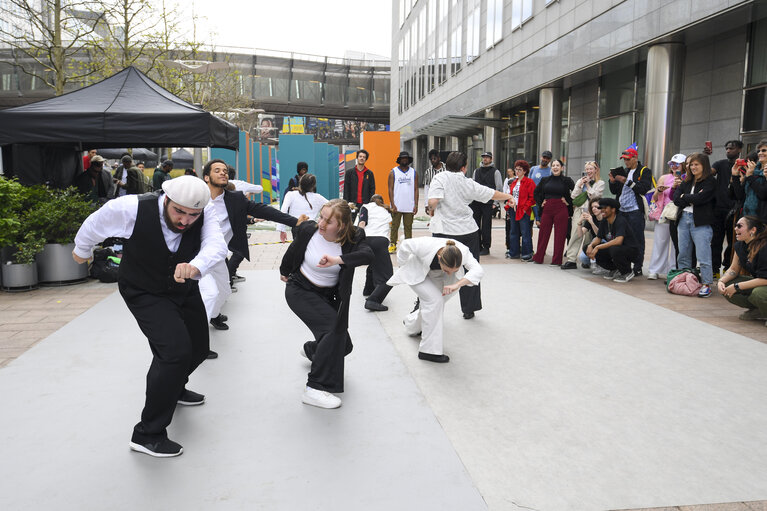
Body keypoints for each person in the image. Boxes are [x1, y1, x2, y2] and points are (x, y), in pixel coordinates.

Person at [72, 175, 228, 457]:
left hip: (183, 286)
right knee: (175, 353)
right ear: (166, 199)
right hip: (144, 289)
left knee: (199, 349)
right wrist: (81, 251)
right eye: (179, 211)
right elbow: (94, 224)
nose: (185, 221)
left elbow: (216, 245)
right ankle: (147, 434)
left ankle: (174, 386)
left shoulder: (206, 212)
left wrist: (195, 266)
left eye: (193, 215)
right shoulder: (131, 207)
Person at [280, 199, 373, 409]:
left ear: (340, 226)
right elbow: (294, 250)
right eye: (321, 216)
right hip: (300, 290)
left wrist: (337, 260)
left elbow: (368, 255)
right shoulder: (308, 230)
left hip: (327, 295)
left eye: (328, 221)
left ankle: (313, 350)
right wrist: (284, 271)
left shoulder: (354, 237)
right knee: (333, 331)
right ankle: (314, 388)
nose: (321, 223)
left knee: (344, 345)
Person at [200, 159, 302, 333]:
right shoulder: (197, 198)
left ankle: (214, 315)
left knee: (224, 290)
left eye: (224, 170)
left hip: (218, 255)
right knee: (209, 294)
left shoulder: (235, 198)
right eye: (217, 170)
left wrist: (295, 222)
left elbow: (265, 210)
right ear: (207, 177)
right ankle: (198, 343)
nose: (223, 173)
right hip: (197, 255)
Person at [427, 151, 513, 320]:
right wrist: (508, 196)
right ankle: (469, 308)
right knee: (469, 267)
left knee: (437, 268)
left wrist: (432, 210)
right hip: (467, 231)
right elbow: (491, 193)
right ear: (464, 168)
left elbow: (433, 201)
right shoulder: (468, 183)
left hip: (444, 232)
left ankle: (429, 303)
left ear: (447, 165)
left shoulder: (439, 178)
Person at [388, 238, 482, 363]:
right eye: (448, 270)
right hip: (417, 272)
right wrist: (402, 264)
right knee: (434, 301)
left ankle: (411, 324)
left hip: (436, 275)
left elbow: (478, 270)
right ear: (439, 257)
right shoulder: (425, 245)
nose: (450, 274)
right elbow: (405, 245)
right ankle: (428, 351)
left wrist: (457, 284)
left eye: (453, 271)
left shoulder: (463, 252)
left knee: (434, 305)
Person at [672, 152, 717, 298]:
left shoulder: (710, 181)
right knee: (683, 253)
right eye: (691, 164)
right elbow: (675, 198)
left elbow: (702, 198)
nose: (693, 167)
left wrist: (685, 197)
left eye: (696, 164)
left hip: (701, 222)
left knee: (703, 255)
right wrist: (688, 198)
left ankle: (706, 284)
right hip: (683, 219)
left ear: (704, 165)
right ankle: (685, 281)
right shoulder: (686, 181)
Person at [609, 145, 655, 275]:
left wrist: (627, 181)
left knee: (637, 238)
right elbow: (615, 191)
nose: (626, 162)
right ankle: (624, 265)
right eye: (624, 159)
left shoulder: (644, 171)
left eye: (628, 159)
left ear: (635, 158)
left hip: (635, 210)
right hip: (622, 210)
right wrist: (613, 181)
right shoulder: (623, 171)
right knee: (622, 238)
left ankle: (638, 266)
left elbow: (643, 189)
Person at [717, 215, 767, 325]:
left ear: (752, 230)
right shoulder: (740, 245)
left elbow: (765, 279)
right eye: (735, 226)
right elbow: (734, 269)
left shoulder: (764, 247)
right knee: (727, 285)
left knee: (758, 293)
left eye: (740, 226)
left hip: (764, 281)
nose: (736, 229)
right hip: (761, 281)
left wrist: (737, 286)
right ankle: (759, 311)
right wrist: (721, 281)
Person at [646, 154, 685, 280]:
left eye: (677, 164)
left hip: (680, 213)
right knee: (660, 241)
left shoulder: (687, 178)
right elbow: (655, 197)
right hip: (664, 213)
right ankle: (655, 269)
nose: (674, 167)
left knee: (676, 244)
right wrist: (659, 190)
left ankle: (673, 269)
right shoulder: (664, 177)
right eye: (672, 164)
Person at [562, 161, 605, 269]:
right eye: (587, 169)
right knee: (575, 234)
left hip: (592, 212)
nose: (589, 171)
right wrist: (580, 185)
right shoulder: (580, 181)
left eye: (591, 169)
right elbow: (573, 196)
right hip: (579, 211)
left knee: (588, 236)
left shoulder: (600, 183)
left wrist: (587, 185)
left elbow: (595, 196)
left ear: (596, 169)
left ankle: (586, 258)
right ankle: (571, 259)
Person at [586, 198, 639, 282]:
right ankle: (614, 269)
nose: (602, 210)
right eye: (601, 208)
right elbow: (598, 238)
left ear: (613, 209)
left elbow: (618, 241)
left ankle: (627, 272)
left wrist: (598, 247)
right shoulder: (604, 221)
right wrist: (591, 245)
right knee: (588, 247)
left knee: (614, 248)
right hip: (616, 249)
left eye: (605, 208)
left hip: (631, 251)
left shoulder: (620, 220)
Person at [532, 159, 574, 265]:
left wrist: (568, 201)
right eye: (553, 165)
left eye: (557, 165)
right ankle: (538, 258)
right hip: (547, 209)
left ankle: (556, 260)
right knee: (543, 233)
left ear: (562, 168)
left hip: (561, 209)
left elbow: (576, 193)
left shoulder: (567, 180)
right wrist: (541, 202)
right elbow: (536, 193)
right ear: (551, 168)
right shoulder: (545, 180)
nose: (555, 167)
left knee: (560, 235)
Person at [710, 140, 743, 275]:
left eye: (732, 148)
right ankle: (714, 269)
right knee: (716, 240)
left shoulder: (743, 166)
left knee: (732, 241)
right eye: (727, 148)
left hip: (734, 209)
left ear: (739, 149)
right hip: (718, 208)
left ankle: (728, 267)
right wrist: (705, 156)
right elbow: (709, 172)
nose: (728, 150)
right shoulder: (720, 164)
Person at [358, 194, 394, 311]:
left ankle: (368, 289)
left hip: (367, 239)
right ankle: (373, 300)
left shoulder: (366, 207)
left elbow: (362, 224)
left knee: (374, 262)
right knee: (388, 276)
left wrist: (357, 241)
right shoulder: (386, 210)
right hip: (380, 240)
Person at [470, 151, 502, 256]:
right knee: (475, 224)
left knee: (486, 226)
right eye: (483, 157)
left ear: (491, 159)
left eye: (487, 157)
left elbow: (499, 188)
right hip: (476, 202)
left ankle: (486, 246)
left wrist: (496, 203)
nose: (485, 159)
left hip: (489, 202)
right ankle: (477, 246)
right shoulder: (476, 171)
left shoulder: (495, 172)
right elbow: (473, 186)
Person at [278, 173, 328, 241]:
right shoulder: (318, 197)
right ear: (313, 186)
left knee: (298, 249)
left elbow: (283, 211)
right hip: (312, 227)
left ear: (300, 182)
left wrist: (282, 229)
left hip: (296, 226)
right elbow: (332, 206)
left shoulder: (290, 195)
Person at [388, 151, 418, 252]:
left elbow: (416, 189)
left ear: (408, 160)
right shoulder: (393, 172)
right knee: (394, 226)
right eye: (402, 158)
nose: (404, 160)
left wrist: (416, 204)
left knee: (408, 227)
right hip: (397, 204)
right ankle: (392, 244)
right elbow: (390, 189)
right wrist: (392, 204)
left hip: (409, 205)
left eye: (406, 158)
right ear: (399, 160)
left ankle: (408, 245)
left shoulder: (413, 172)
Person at [505, 160, 536, 261]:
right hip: (513, 209)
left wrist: (525, 208)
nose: (517, 171)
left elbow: (532, 198)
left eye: (520, 169)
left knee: (525, 232)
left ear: (525, 171)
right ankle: (514, 252)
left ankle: (527, 253)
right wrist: (509, 204)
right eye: (516, 169)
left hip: (524, 210)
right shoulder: (514, 182)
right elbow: (511, 195)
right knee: (513, 231)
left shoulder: (529, 182)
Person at [730, 139, 767, 223]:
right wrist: (735, 176)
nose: (760, 153)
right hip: (746, 218)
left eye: (764, 150)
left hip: (762, 220)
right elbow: (740, 195)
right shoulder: (752, 170)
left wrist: (750, 176)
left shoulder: (752, 173)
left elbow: (763, 194)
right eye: (759, 151)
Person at [343, 149, 375, 219]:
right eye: (360, 156)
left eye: (364, 157)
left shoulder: (370, 174)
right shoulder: (349, 173)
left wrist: (370, 203)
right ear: (357, 158)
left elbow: (372, 189)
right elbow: (346, 189)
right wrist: (347, 202)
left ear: (366, 159)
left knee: (363, 224)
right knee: (351, 224)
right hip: (352, 204)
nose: (362, 158)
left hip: (365, 204)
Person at [529, 150, 553, 222]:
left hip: (542, 200)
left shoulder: (550, 171)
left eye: (547, 158)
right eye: (544, 157)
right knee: (529, 222)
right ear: (541, 157)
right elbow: (528, 182)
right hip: (531, 198)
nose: (545, 159)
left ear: (550, 160)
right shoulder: (533, 169)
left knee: (541, 222)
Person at [423, 149, 444, 214]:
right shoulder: (428, 172)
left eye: (434, 158)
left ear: (439, 158)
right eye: (431, 159)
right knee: (435, 221)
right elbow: (426, 188)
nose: (433, 161)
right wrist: (426, 204)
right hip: (433, 201)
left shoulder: (447, 169)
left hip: (445, 200)